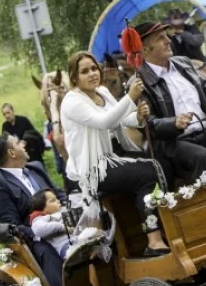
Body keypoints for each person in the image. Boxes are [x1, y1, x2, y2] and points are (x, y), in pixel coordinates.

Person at [60, 50, 171, 256]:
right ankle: (154, 240)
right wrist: (130, 97)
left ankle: (166, 228)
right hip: (94, 170)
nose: (92, 73)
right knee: (146, 172)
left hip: (111, 159)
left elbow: (121, 119)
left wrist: (137, 116)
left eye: (94, 68)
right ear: (75, 77)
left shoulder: (102, 91)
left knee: (160, 162)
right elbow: (104, 121)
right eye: (85, 71)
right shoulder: (72, 101)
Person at [131, 22, 206, 183]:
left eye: (167, 36)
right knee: (201, 156)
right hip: (174, 143)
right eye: (161, 38)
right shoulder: (138, 83)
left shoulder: (184, 62)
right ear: (145, 49)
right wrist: (173, 123)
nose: (168, 40)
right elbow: (148, 124)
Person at [0, 134, 68, 286]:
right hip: (34, 239)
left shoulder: (36, 167)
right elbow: (10, 225)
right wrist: (40, 233)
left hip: (63, 223)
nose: (24, 144)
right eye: (18, 142)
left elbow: (59, 194)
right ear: (11, 152)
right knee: (47, 252)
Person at [28, 189, 72, 259]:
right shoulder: (40, 219)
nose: (58, 201)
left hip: (79, 238)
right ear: (43, 208)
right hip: (64, 246)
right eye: (53, 200)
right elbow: (38, 230)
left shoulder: (64, 210)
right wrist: (62, 227)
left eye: (56, 198)